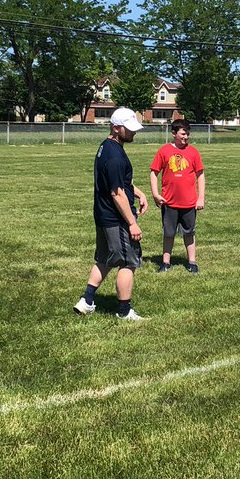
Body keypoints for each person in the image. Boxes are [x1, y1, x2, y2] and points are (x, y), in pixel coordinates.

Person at [74, 107, 149, 320]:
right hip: (116, 218)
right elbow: (117, 193)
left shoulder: (106, 147)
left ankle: (87, 300)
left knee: (105, 259)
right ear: (115, 128)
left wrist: (138, 192)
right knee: (128, 262)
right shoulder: (115, 155)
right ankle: (124, 311)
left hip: (103, 215)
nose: (134, 133)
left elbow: (121, 184)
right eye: (129, 129)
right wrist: (132, 222)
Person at [149, 119, 205, 273]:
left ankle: (192, 262)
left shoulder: (193, 152)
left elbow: (200, 175)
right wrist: (155, 194)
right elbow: (154, 173)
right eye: (183, 134)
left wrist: (201, 198)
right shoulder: (164, 151)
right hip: (169, 202)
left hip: (189, 202)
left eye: (187, 134)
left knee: (189, 233)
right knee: (168, 233)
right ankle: (165, 262)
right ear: (173, 133)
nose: (186, 137)